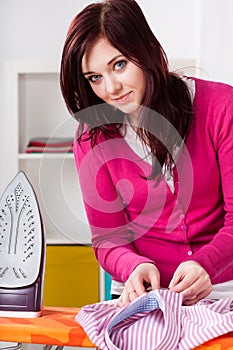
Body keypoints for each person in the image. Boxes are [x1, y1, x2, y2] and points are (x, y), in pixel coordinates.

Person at [60, 0, 233, 307]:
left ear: (146, 50)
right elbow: (108, 239)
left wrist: (205, 264)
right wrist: (135, 266)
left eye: (119, 64)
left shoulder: (221, 107)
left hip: (224, 290)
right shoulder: (92, 138)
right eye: (94, 77)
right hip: (145, 297)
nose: (111, 88)